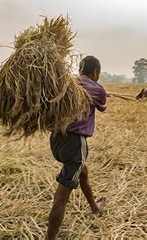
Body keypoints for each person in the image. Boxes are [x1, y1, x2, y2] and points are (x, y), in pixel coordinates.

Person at [47, 55, 107, 239]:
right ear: (95, 72)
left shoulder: (68, 84)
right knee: (62, 195)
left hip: (57, 139)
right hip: (75, 143)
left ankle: (94, 207)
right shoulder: (98, 89)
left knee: (82, 171)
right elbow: (102, 106)